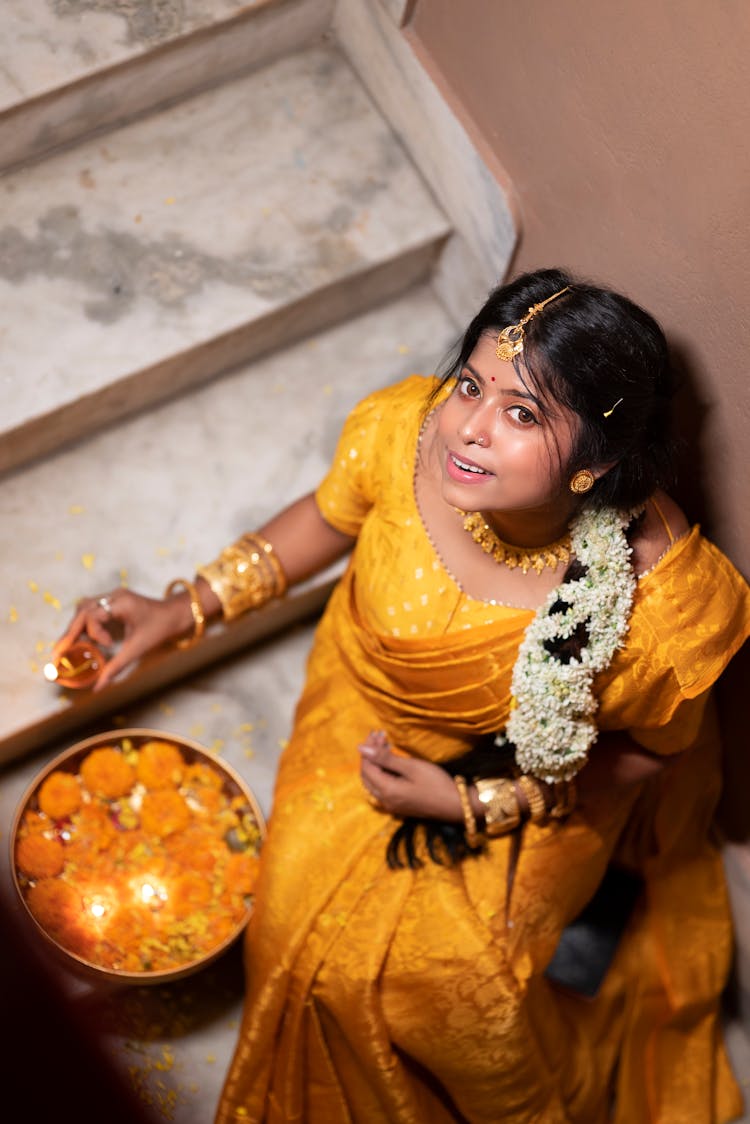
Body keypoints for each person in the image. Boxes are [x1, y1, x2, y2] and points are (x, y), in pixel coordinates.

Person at [55, 268, 750, 1123]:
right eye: (469, 385)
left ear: (594, 466)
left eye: (522, 414)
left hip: (538, 786)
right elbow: (326, 516)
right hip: (360, 716)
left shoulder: (662, 604)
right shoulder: (404, 430)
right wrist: (184, 608)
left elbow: (653, 751)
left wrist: (474, 801)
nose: (469, 428)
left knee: (465, 1006)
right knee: (290, 939)